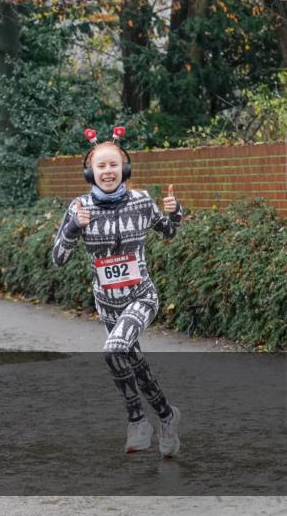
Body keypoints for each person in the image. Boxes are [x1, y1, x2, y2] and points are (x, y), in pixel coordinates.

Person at [51, 126, 184, 457]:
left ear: (124, 169)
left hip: (141, 296)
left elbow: (167, 232)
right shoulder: (79, 208)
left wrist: (175, 211)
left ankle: (137, 420)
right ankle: (167, 416)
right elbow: (57, 259)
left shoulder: (140, 201)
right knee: (134, 362)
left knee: (113, 350)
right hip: (108, 305)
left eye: (113, 165)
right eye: (101, 166)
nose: (107, 172)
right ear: (90, 172)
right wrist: (72, 228)